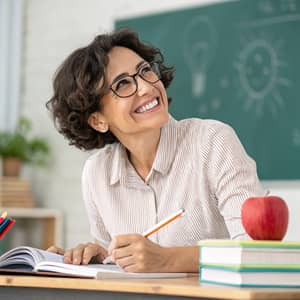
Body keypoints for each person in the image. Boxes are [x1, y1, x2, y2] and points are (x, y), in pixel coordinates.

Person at [46, 28, 264, 273]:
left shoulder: (212, 142)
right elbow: (123, 268)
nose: (147, 88)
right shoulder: (97, 173)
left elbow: (257, 251)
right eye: (123, 84)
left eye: (145, 71)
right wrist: (103, 256)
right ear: (97, 120)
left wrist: (168, 259)